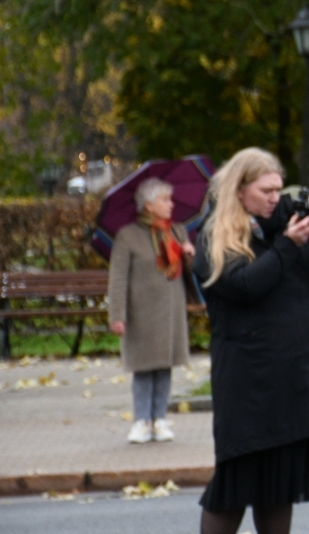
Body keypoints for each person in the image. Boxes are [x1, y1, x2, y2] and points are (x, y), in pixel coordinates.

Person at [193, 148, 309, 534]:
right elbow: (243, 285)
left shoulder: (287, 225)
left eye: (278, 189)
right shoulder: (216, 234)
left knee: (281, 485)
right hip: (249, 386)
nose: (274, 198)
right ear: (239, 190)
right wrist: (286, 246)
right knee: (232, 486)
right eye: (265, 190)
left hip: (295, 377)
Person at [108, 176, 193, 444]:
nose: (171, 204)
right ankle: (141, 421)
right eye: (165, 199)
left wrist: (189, 253)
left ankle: (160, 419)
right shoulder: (127, 236)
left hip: (171, 312)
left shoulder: (177, 231)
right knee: (144, 368)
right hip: (141, 313)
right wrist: (117, 315)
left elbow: (189, 272)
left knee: (164, 366)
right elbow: (118, 278)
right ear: (148, 204)